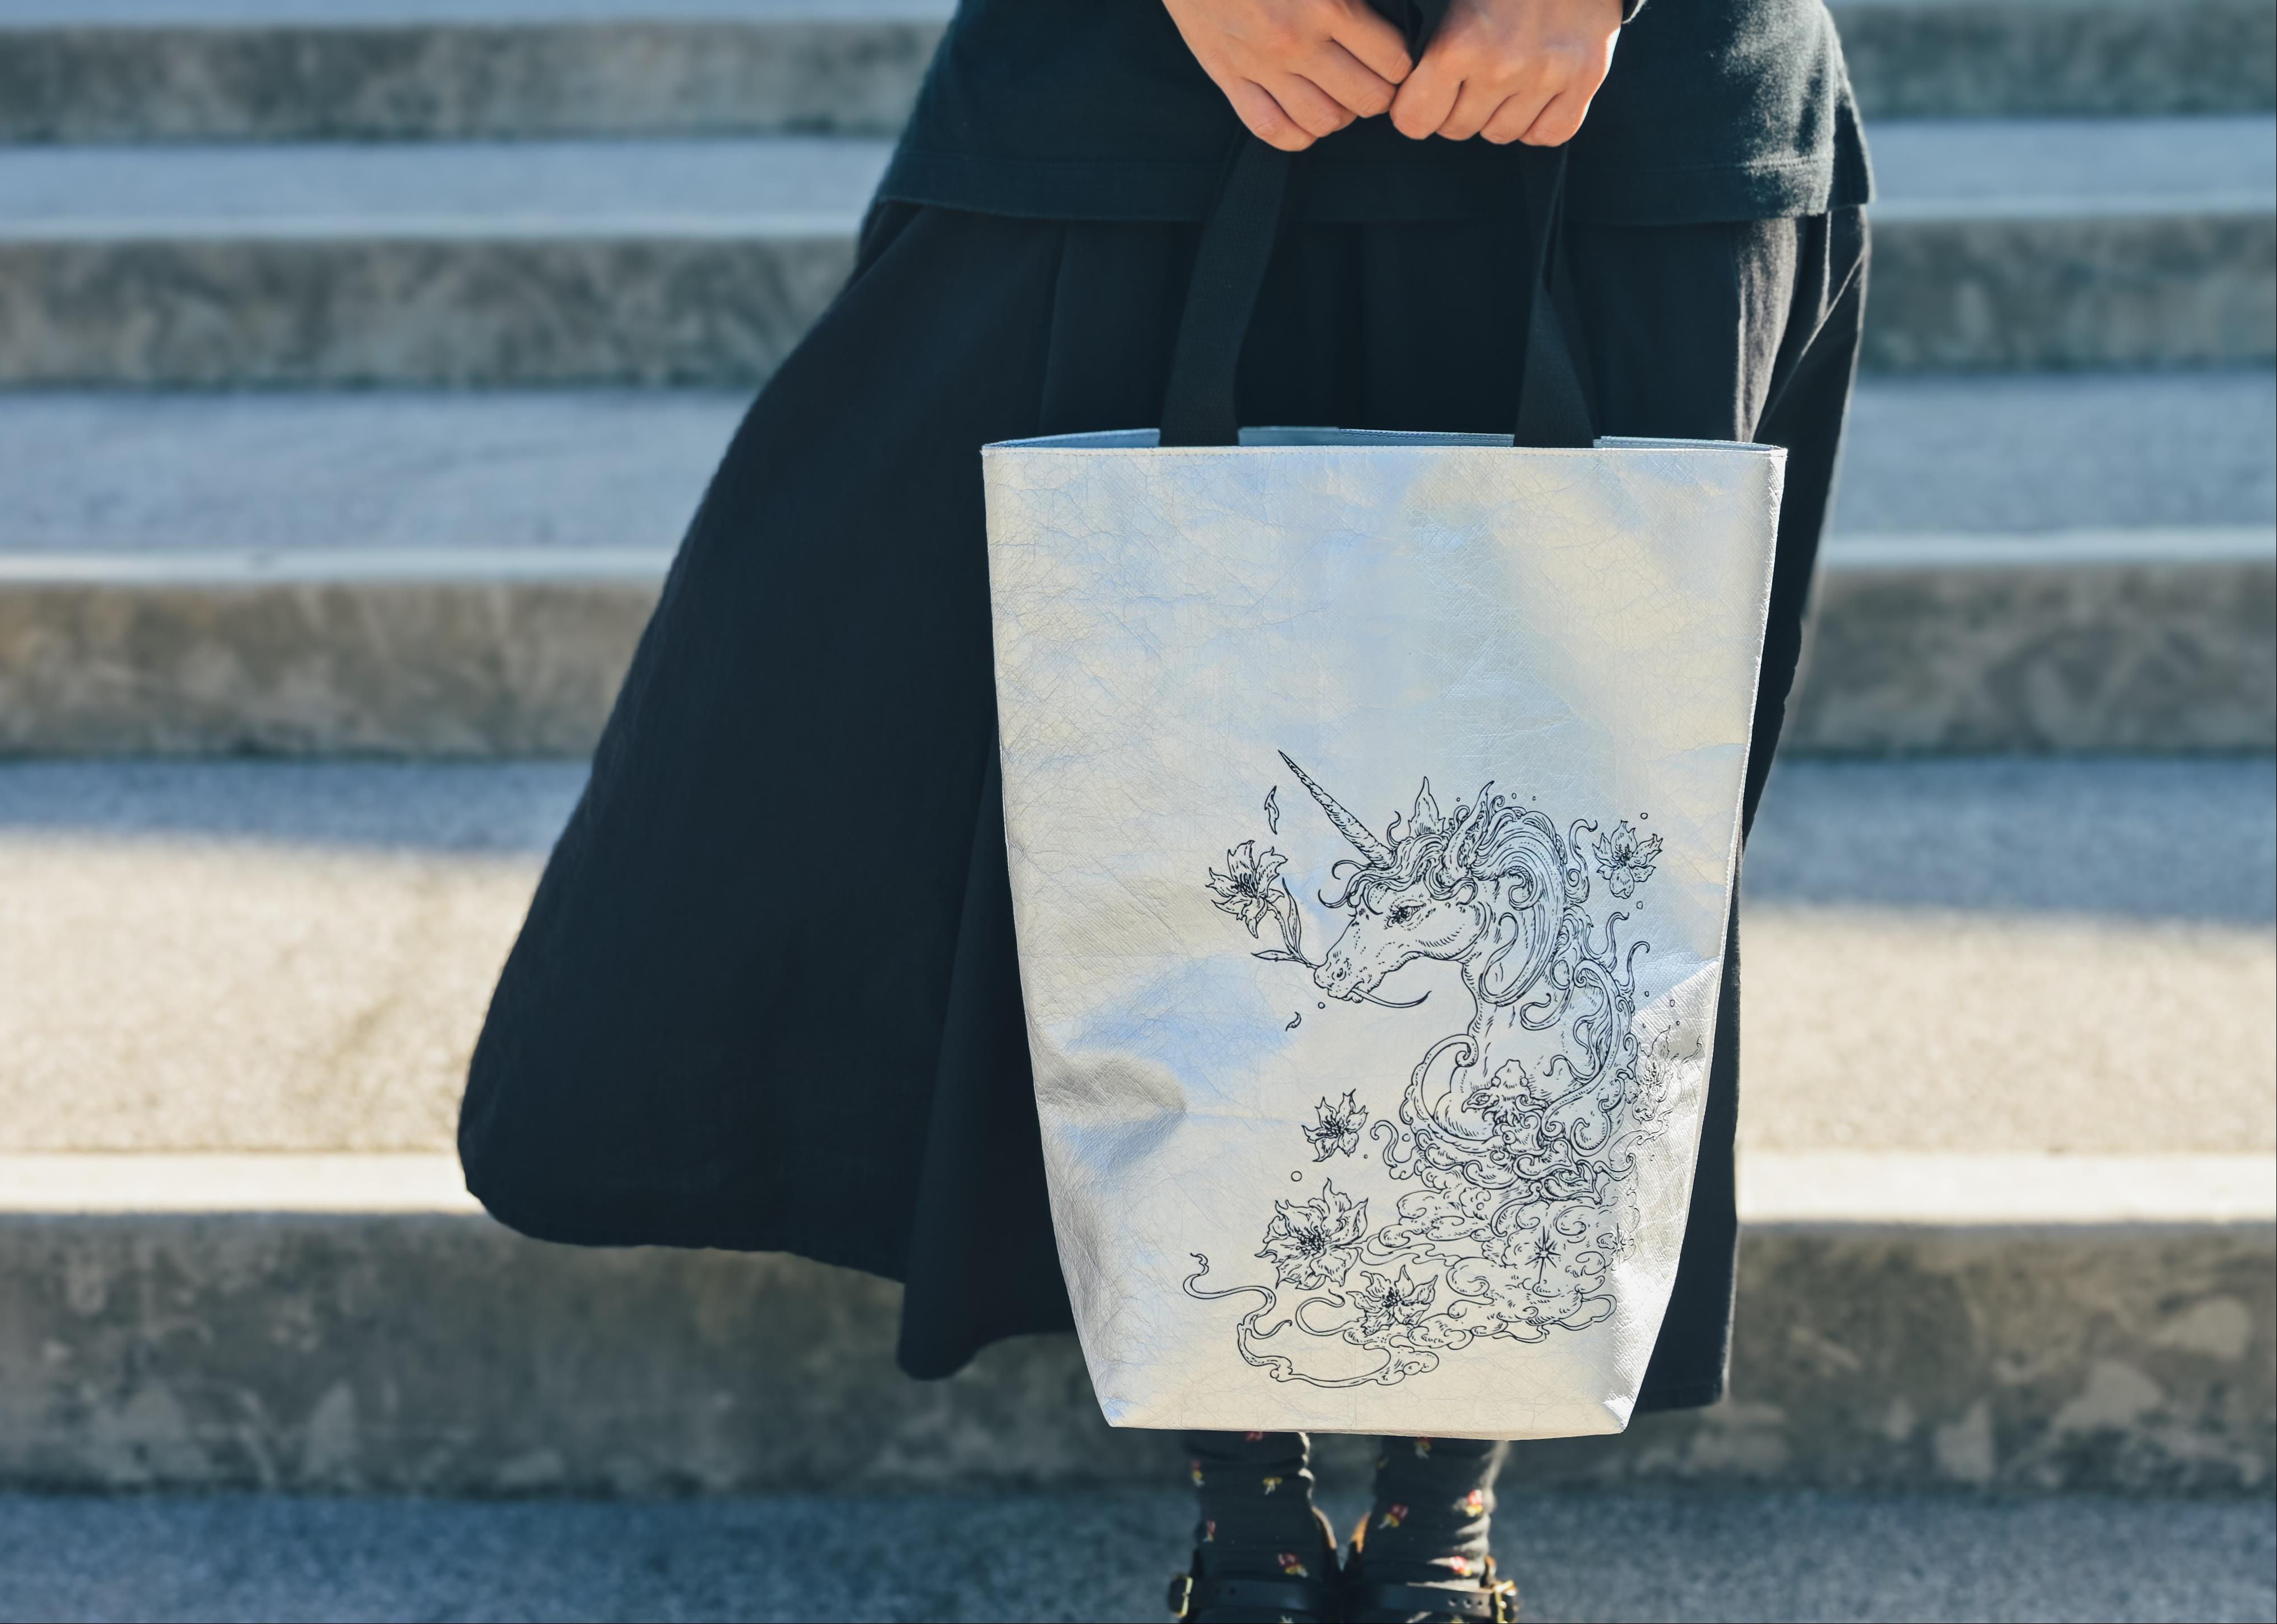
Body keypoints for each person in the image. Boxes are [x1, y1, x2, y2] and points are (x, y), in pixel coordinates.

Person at [459, 0, 1870, 1616]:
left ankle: (1442, 1512)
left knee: (1576, 773)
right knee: (1135, 797)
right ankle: (1247, 1499)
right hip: (1137, 88)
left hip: (1627, 90)